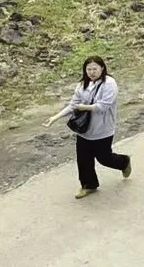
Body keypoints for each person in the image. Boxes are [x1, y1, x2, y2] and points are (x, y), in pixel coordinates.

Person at [45, 55, 131, 199]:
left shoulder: (109, 83)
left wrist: (85, 107)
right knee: (83, 159)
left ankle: (124, 162)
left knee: (104, 158)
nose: (91, 72)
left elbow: (104, 106)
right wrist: (55, 117)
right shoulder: (82, 84)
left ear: (102, 68)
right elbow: (73, 104)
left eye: (94, 69)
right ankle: (88, 185)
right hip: (84, 130)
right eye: (88, 69)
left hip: (103, 129)